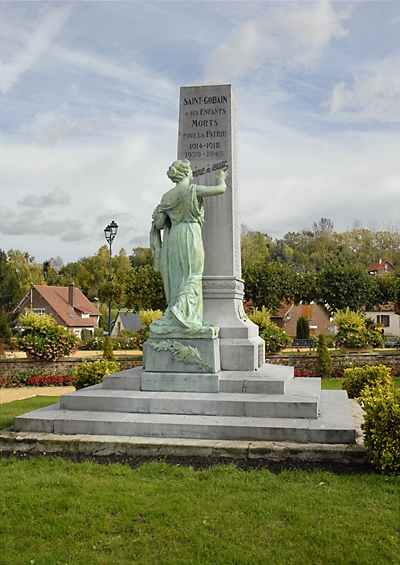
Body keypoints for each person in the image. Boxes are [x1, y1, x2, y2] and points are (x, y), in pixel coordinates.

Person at [150, 159, 227, 337]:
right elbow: (220, 189)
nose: (193, 172)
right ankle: (180, 309)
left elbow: (160, 225)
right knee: (194, 274)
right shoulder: (194, 190)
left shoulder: (167, 197)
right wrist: (221, 178)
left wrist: (159, 216)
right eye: (190, 170)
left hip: (175, 236)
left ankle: (178, 310)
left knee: (177, 277)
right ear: (186, 173)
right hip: (191, 232)